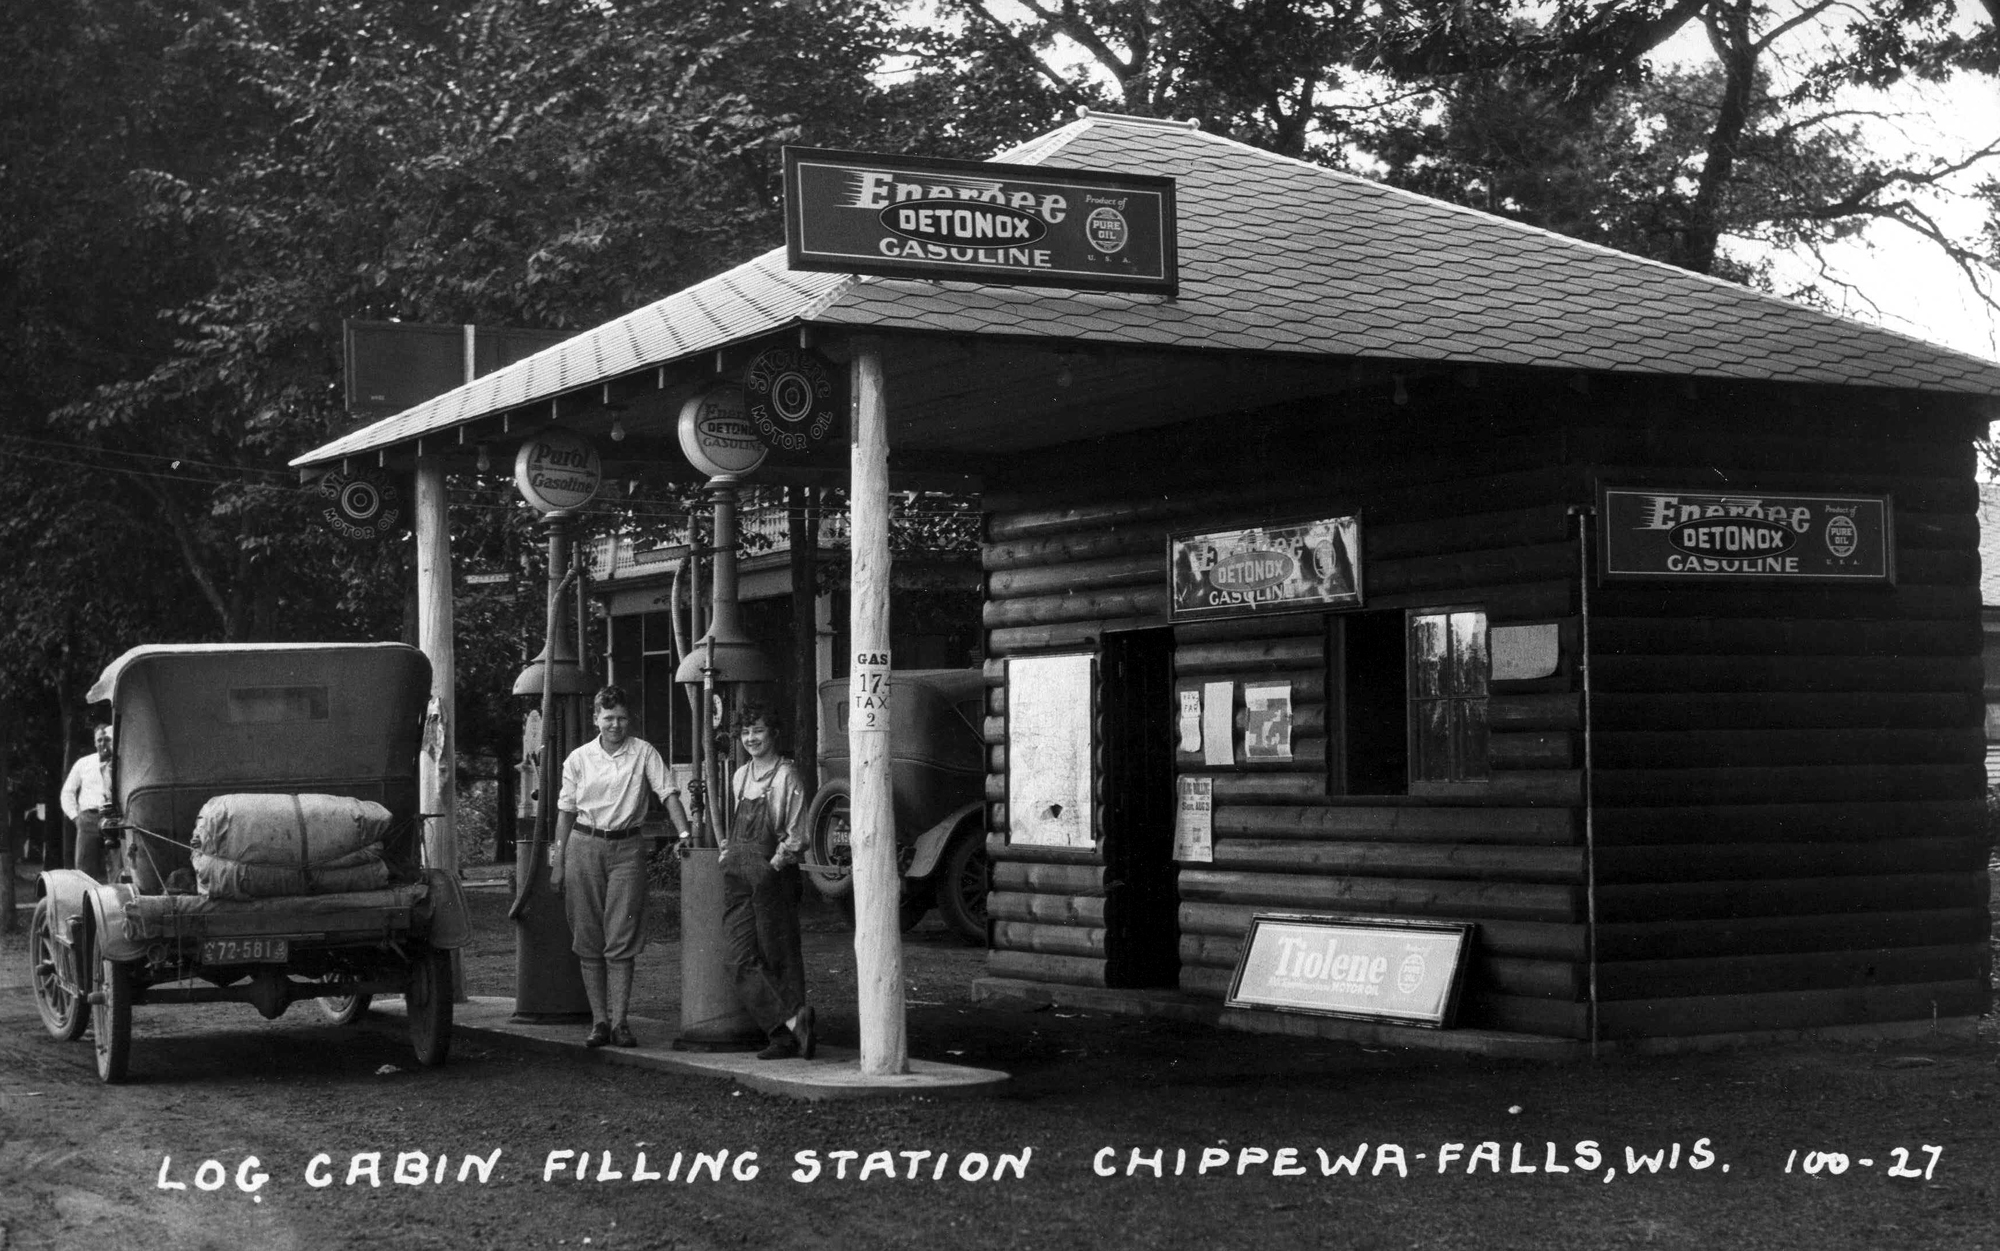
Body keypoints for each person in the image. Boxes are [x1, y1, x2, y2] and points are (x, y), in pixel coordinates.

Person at [549, 686, 690, 1049]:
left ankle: (622, 1022)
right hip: (583, 845)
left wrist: (685, 832)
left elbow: (668, 792)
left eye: (622, 718)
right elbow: (565, 811)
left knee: (621, 938)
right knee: (588, 937)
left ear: (630, 719)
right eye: (608, 718)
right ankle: (599, 1022)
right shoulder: (579, 759)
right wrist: (559, 860)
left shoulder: (643, 752)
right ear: (596, 718)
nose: (615, 725)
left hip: (628, 848)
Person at [722, 703, 815, 1060]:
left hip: (774, 875)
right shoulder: (740, 776)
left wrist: (772, 867)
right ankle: (791, 1024)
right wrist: (728, 854)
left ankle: (785, 1037)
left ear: (773, 733)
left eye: (758, 731)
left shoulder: (786, 776)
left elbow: (796, 835)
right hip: (739, 878)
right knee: (738, 957)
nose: (751, 739)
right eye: (745, 733)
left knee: (779, 954)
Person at [59, 725, 112, 878]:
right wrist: (76, 818)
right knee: (85, 869)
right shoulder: (84, 763)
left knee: (116, 866)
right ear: (94, 742)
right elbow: (67, 792)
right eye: (99, 740)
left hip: (114, 820)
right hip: (88, 819)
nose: (103, 744)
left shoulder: (120, 762)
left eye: (107, 740)